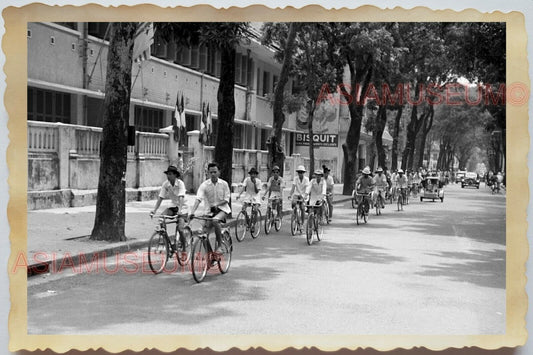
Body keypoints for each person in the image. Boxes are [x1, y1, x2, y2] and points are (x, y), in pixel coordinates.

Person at [189, 162, 231, 254]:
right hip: (209, 212)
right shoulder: (204, 185)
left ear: (219, 172)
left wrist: (217, 204)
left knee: (215, 220)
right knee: (202, 233)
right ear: (208, 173)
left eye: (215, 172)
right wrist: (192, 212)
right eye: (211, 172)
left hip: (222, 210)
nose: (213, 174)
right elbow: (198, 199)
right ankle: (210, 254)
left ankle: (219, 247)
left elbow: (227, 199)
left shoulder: (224, 184)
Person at [150, 165, 187, 247]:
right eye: (167, 174)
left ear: (175, 175)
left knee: (180, 229)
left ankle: (184, 249)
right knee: (161, 218)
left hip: (183, 207)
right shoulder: (166, 184)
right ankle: (166, 239)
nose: (168, 176)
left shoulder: (181, 184)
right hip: (173, 206)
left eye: (170, 174)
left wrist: (180, 210)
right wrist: (154, 210)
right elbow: (160, 197)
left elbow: (181, 197)